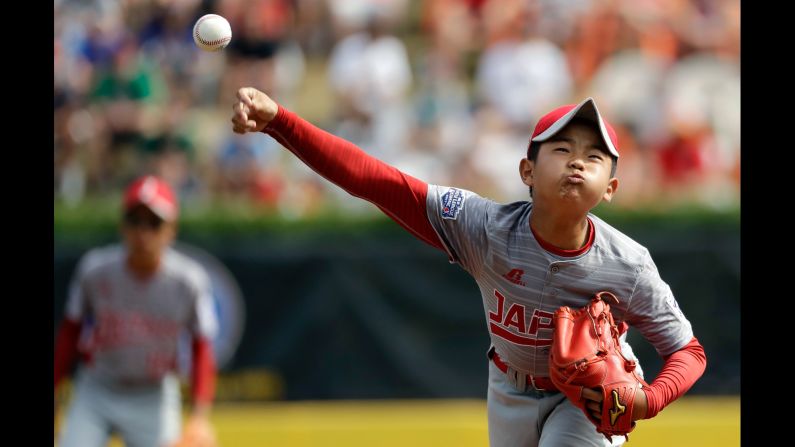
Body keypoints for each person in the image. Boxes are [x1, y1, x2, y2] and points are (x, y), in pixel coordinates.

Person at [230, 87, 707, 446]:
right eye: (561, 150)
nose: (577, 162)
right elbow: (376, 181)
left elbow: (688, 351)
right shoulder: (483, 227)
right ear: (527, 171)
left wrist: (651, 397)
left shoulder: (628, 264)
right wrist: (280, 122)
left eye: (594, 156)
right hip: (508, 387)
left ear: (610, 189)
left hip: (583, 400)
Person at [54, 175, 219, 447]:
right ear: (123, 225)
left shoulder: (188, 280)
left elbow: (201, 347)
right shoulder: (95, 270)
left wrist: (200, 415)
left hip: (153, 394)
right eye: (135, 221)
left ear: (171, 229)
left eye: (154, 223)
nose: (143, 233)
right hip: (98, 389)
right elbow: (70, 333)